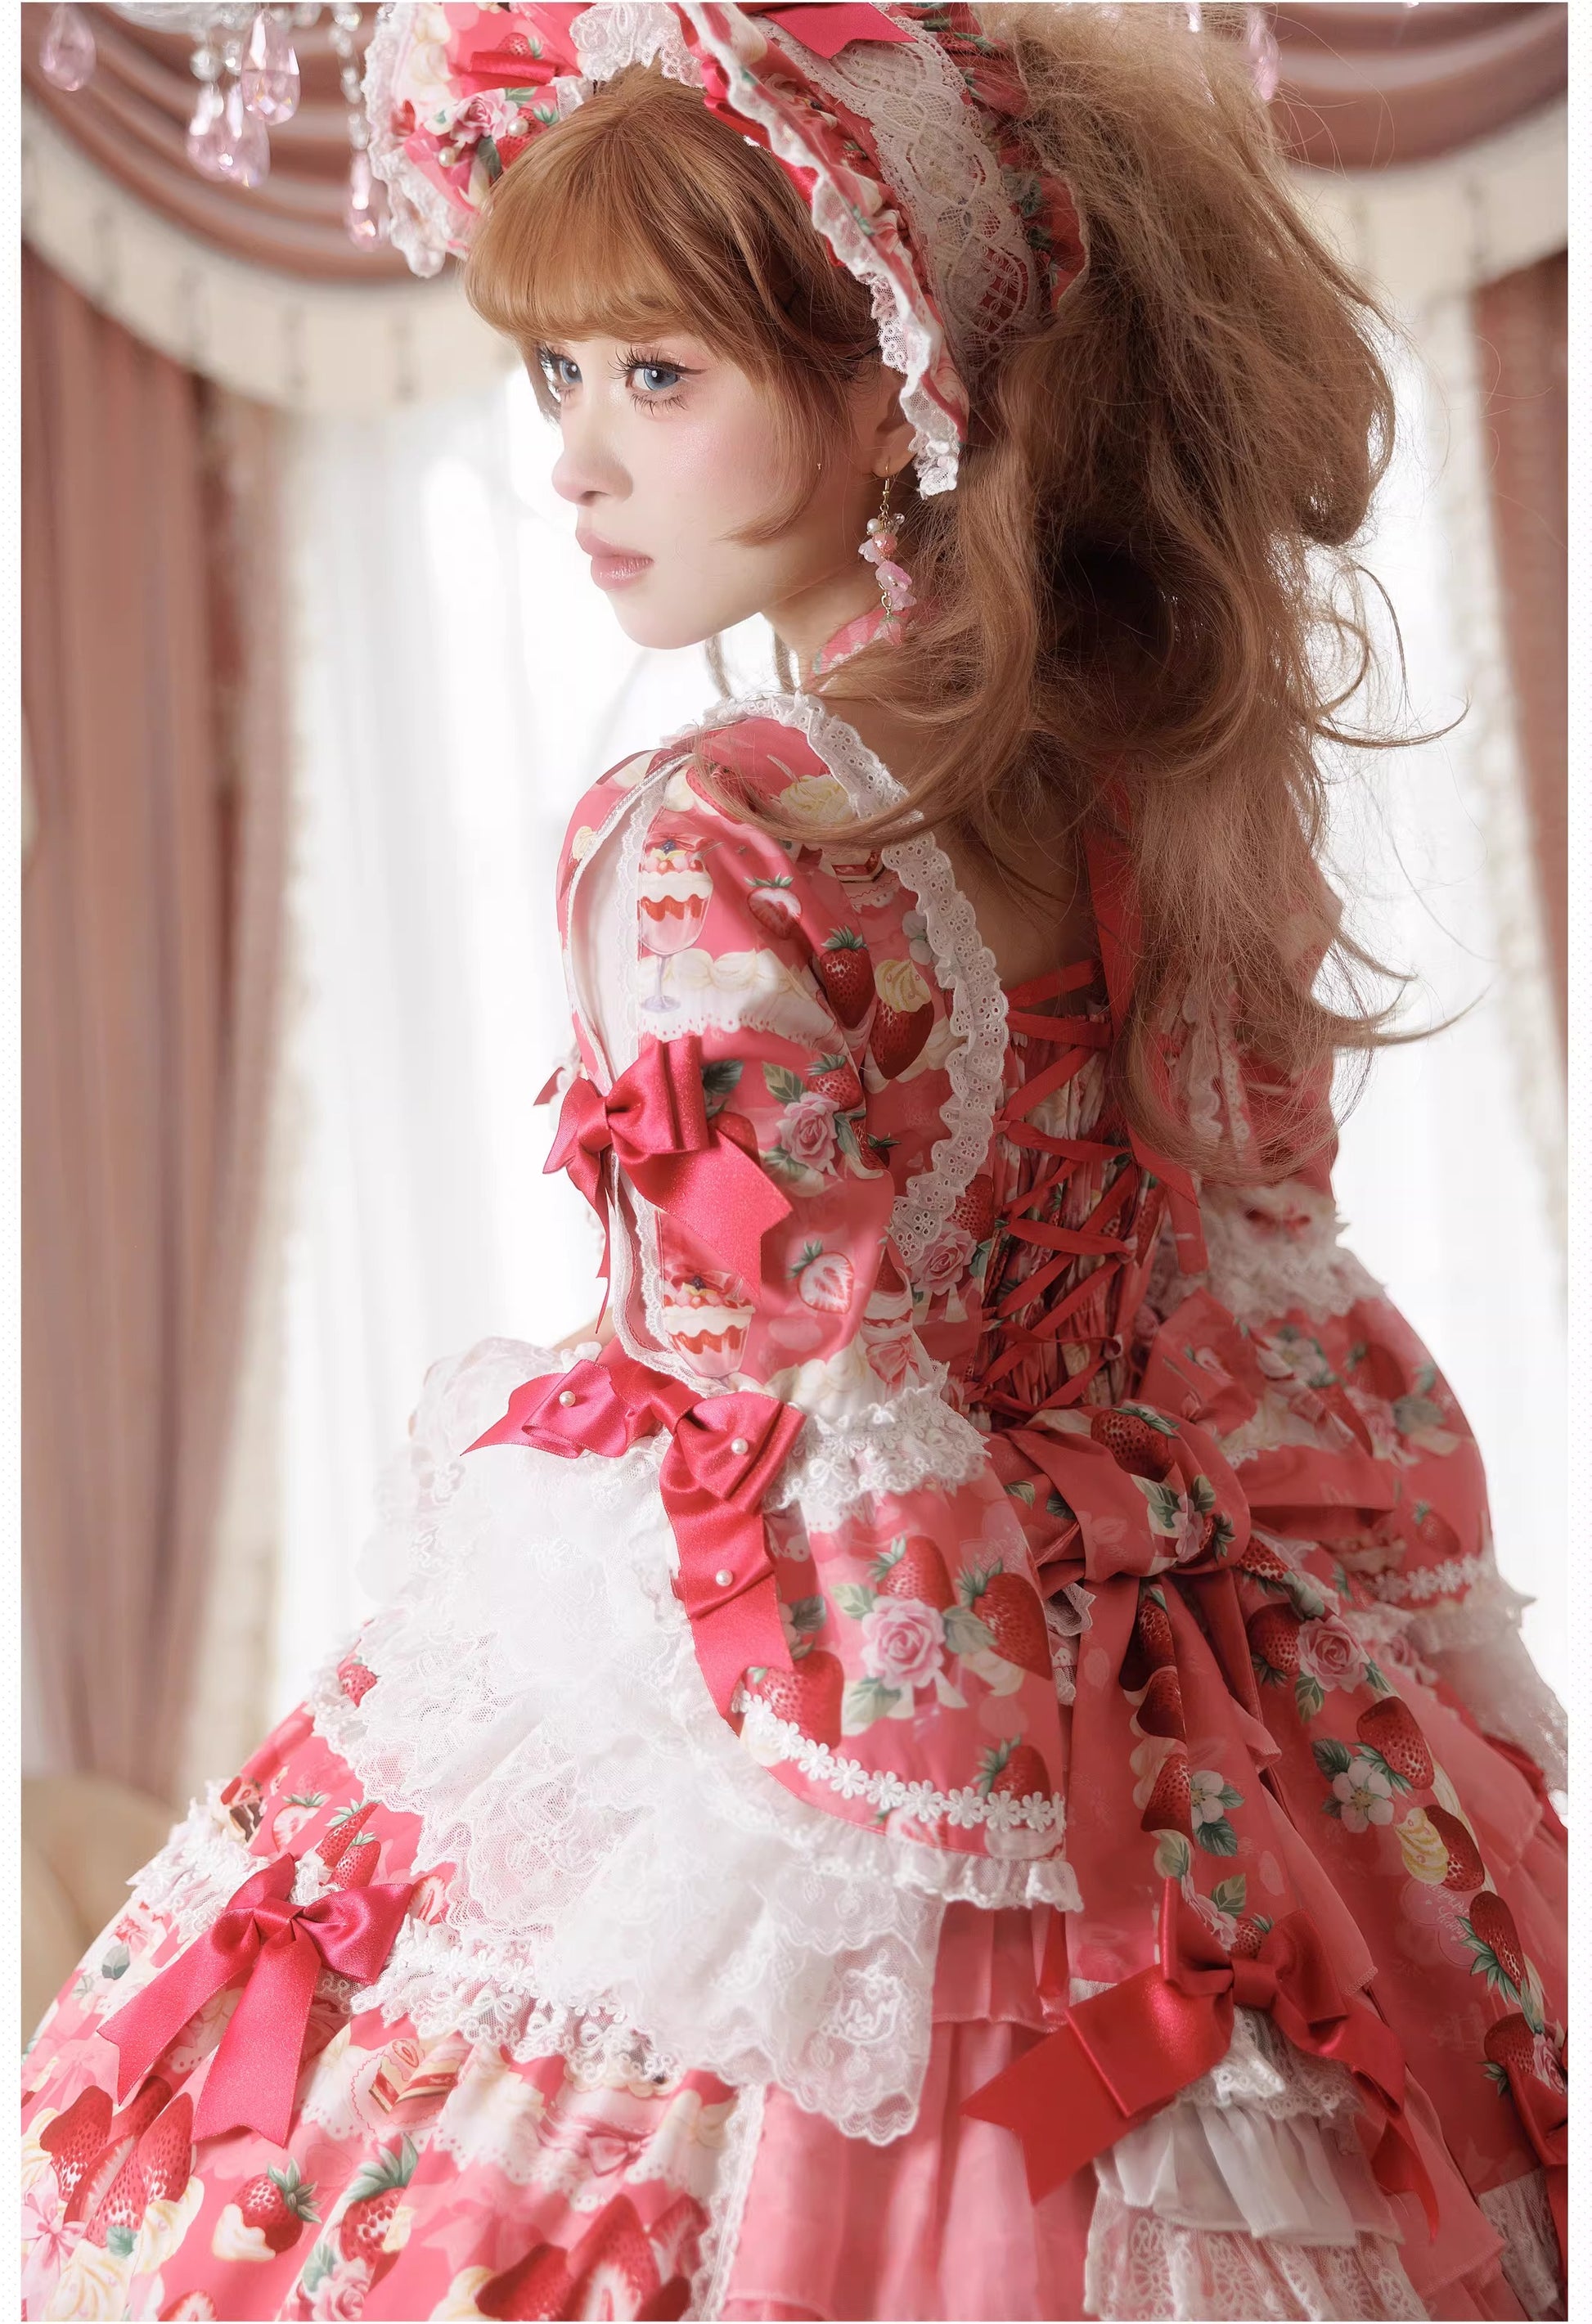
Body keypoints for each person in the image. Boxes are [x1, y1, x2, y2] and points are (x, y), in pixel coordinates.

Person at [20, 7, 1567, 2320]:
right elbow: (1278, 1316)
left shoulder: (714, 828)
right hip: (1219, 1733)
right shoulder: (1157, 790)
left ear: (895, 386)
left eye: (655, 376)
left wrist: (938, 1767)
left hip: (852, 1703)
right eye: (555, 375)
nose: (572, 457)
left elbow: (769, 1393)